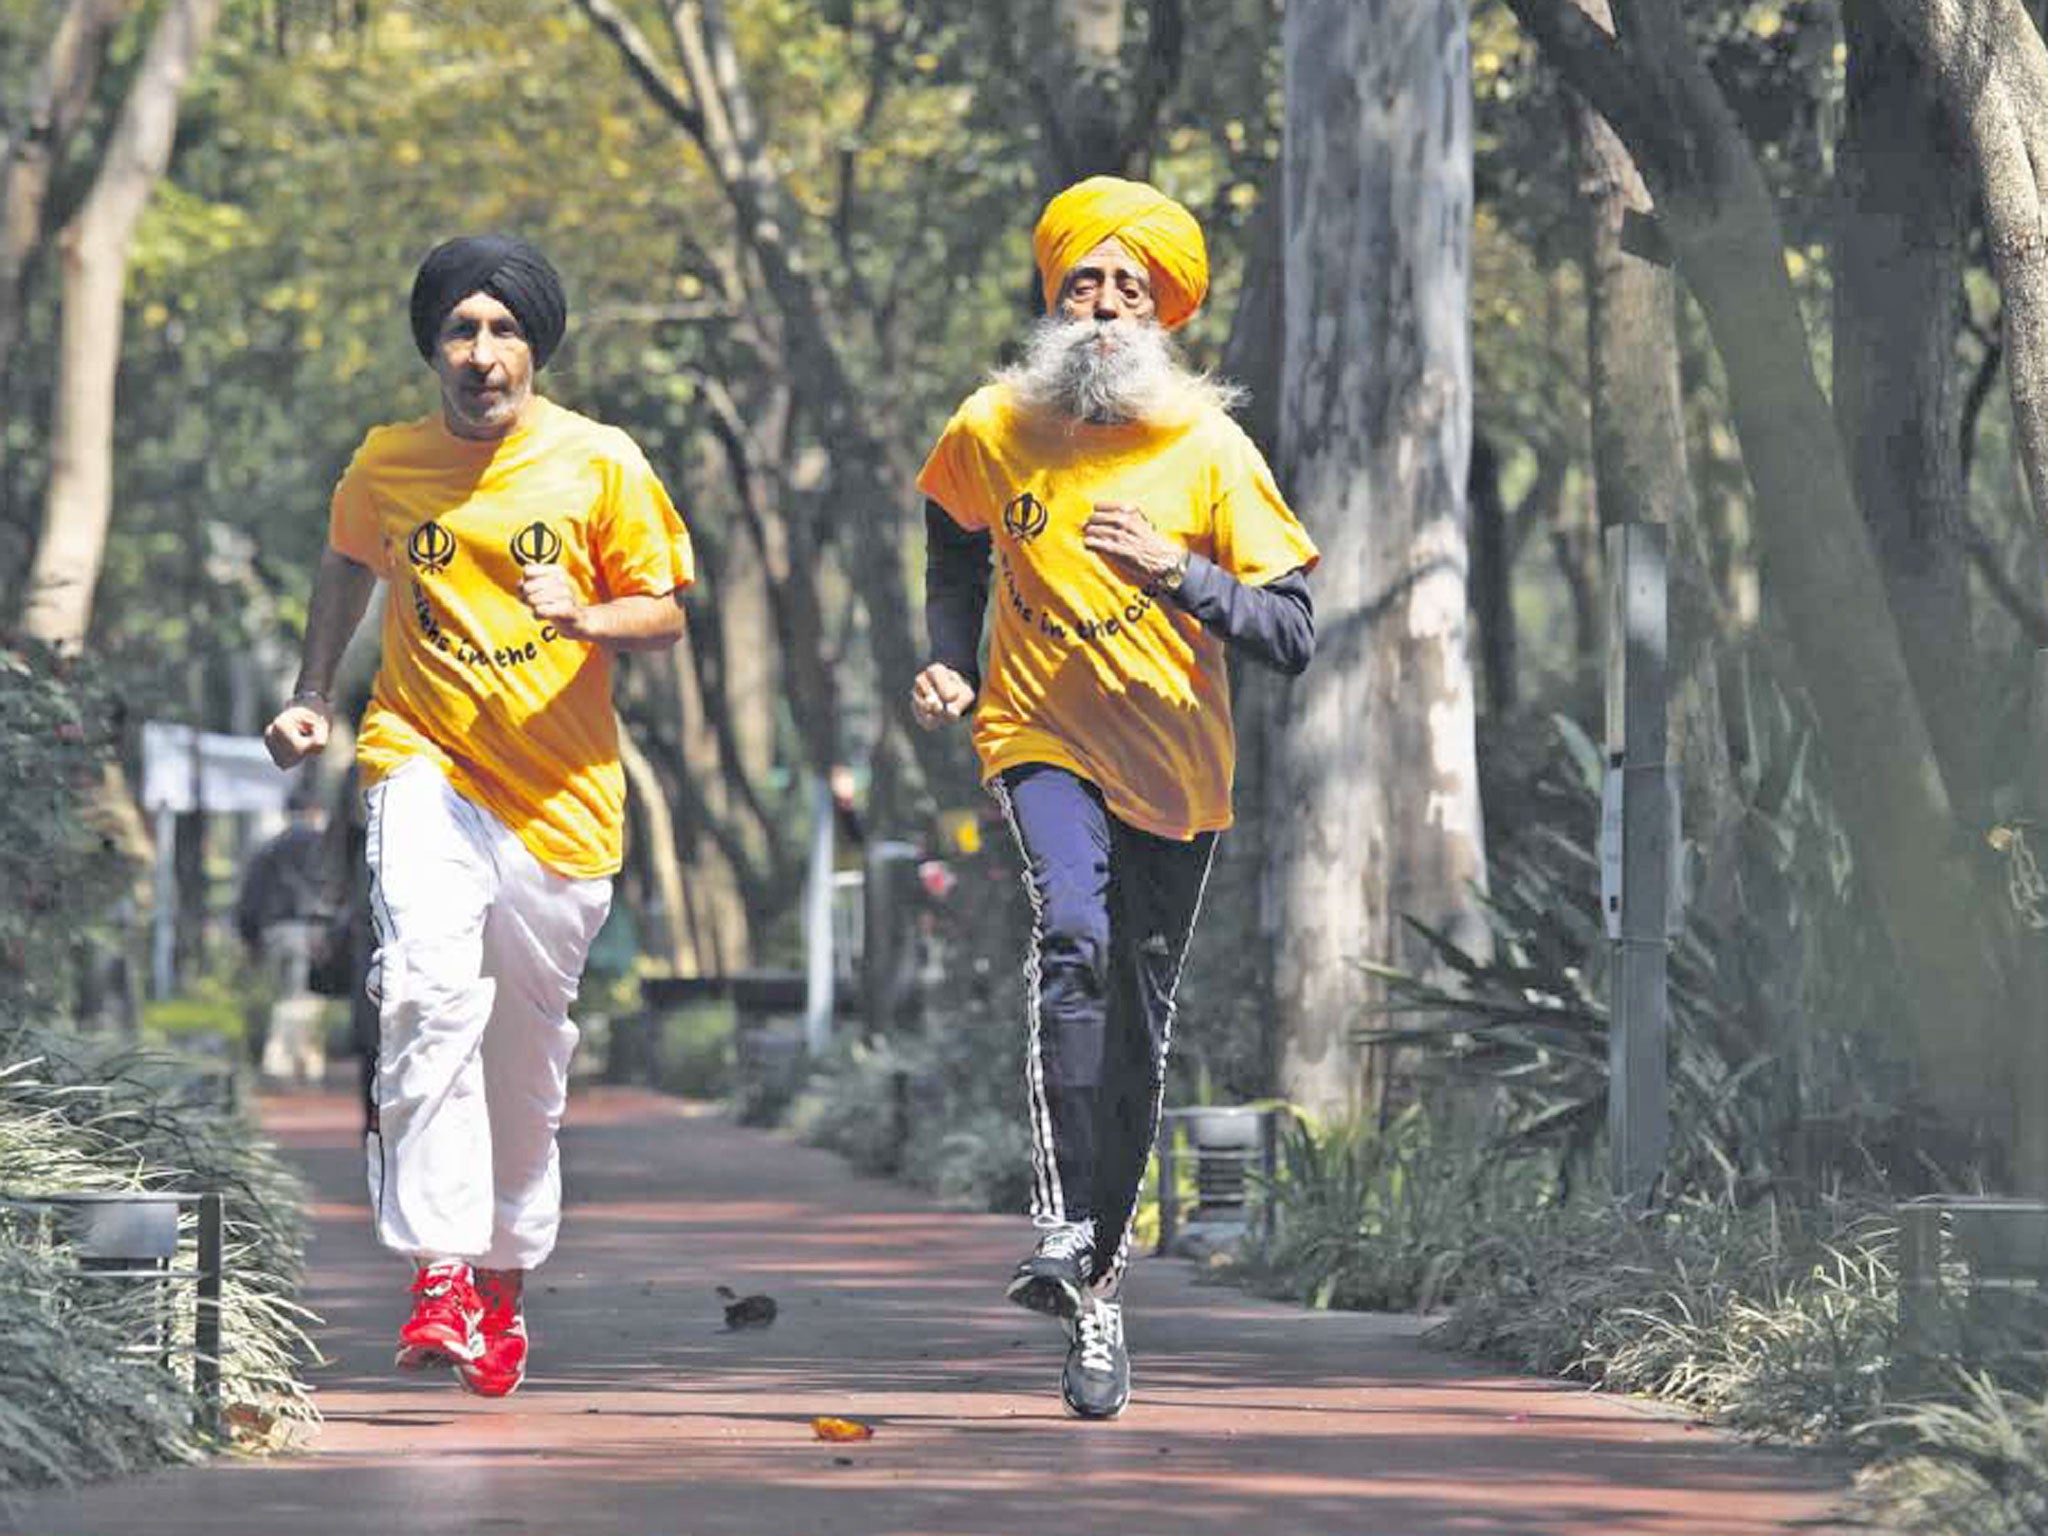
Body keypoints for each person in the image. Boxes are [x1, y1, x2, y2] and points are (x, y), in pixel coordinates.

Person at [910, 176, 1319, 1419]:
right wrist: (943, 647)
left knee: (1139, 1026)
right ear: (1053, 295)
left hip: (1176, 775)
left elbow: (1293, 628)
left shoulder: (1207, 450)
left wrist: (1180, 572)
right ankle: (1057, 1230)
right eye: (1083, 282)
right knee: (1070, 938)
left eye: (1127, 289)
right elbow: (950, 538)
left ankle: (1097, 1278)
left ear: (1163, 315)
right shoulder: (992, 425)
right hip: (1037, 736)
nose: (1102, 306)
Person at [261, 234, 694, 1398]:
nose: (481, 352)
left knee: (523, 1052)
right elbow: (348, 561)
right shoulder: (387, 462)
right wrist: (314, 695)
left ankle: (501, 1271)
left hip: (560, 796)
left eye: (503, 331)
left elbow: (662, 611)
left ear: (535, 347)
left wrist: (589, 616)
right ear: (433, 348)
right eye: (461, 329)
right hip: (422, 761)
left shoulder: (600, 461)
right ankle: (441, 1269)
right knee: (420, 992)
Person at [234, 789, 331, 1085]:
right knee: (306, 998)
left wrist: (249, 936)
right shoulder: (322, 846)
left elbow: (251, 895)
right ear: (314, 809)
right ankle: (301, 1062)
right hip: (312, 929)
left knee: (283, 996)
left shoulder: (269, 849)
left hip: (274, 930)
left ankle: (282, 1061)